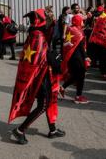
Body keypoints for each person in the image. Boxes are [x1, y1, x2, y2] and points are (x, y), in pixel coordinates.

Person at [9, 9, 65, 144]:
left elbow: (51, 33)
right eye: (45, 18)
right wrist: (55, 60)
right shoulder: (38, 36)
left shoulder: (35, 33)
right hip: (39, 75)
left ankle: (52, 130)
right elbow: (42, 58)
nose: (47, 20)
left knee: (48, 101)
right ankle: (20, 130)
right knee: (43, 105)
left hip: (41, 74)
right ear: (41, 21)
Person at [61, 15, 90, 104]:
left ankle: (61, 88)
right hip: (77, 57)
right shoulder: (77, 31)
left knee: (75, 76)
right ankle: (78, 96)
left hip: (71, 57)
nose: (83, 22)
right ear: (78, 21)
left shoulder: (71, 29)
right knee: (80, 76)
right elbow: (80, 46)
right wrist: (86, 57)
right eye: (81, 20)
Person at [89, 6, 106, 81]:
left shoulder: (102, 17)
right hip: (104, 42)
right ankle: (105, 73)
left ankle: (103, 72)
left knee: (102, 58)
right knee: (105, 58)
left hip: (98, 40)